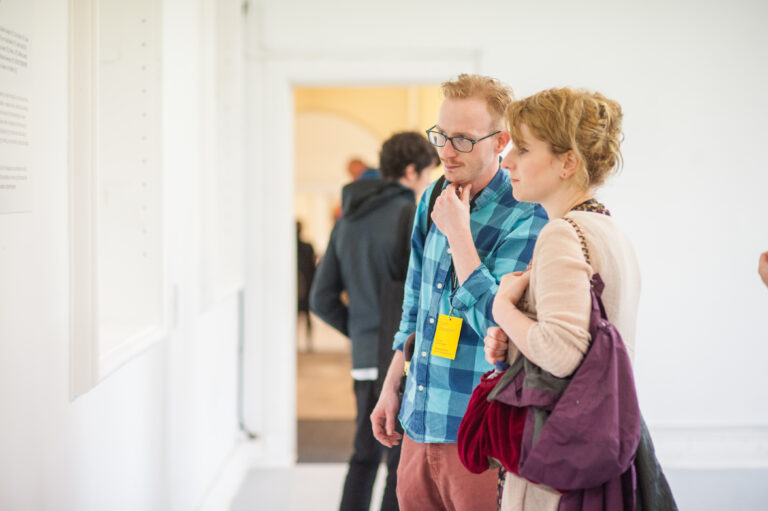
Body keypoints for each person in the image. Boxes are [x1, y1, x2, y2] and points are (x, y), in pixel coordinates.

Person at [370, 74, 547, 511]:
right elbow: (416, 300)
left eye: (463, 140)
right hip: (418, 422)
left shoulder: (528, 215)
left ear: (500, 140)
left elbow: (499, 324)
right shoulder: (433, 195)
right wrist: (393, 383)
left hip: (478, 437)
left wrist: (459, 237)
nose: (446, 152)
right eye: (442, 136)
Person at [484, 88, 641, 509]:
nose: (508, 161)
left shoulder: (560, 234)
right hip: (597, 447)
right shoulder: (608, 231)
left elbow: (562, 352)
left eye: (523, 148)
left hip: (557, 461)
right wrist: (514, 342)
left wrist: (501, 308)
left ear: (568, 162)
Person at [310, 131, 439, 511]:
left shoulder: (346, 219)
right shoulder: (411, 215)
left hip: (364, 357)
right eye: (429, 172)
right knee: (397, 460)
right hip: (398, 358)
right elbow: (418, 293)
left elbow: (321, 298)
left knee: (363, 455)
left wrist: (359, 331)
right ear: (413, 171)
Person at [296, 221, 316, 351]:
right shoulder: (307, 247)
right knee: (307, 315)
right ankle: (308, 342)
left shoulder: (288, 248)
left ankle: (307, 342)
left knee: (300, 315)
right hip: (307, 284)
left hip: (300, 286)